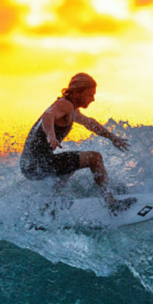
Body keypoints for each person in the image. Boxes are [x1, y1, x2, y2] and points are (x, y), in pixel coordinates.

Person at [19, 72, 133, 214]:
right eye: (89, 95)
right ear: (77, 92)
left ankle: (49, 206)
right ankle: (111, 203)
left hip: (29, 165)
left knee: (71, 164)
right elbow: (48, 115)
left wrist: (112, 137)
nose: (93, 99)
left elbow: (90, 123)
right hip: (37, 163)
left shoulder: (71, 109)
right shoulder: (64, 105)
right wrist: (50, 135)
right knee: (94, 158)